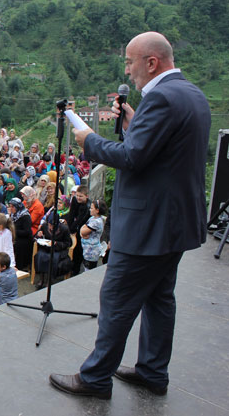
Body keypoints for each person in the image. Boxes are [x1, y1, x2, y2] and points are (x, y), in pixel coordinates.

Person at [49, 32, 211, 400]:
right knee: (159, 298)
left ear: (151, 62)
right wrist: (135, 123)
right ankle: (152, 371)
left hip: (148, 225)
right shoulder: (192, 94)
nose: (127, 70)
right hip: (175, 223)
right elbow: (162, 151)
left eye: (129, 61)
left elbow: (132, 157)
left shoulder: (162, 98)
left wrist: (89, 140)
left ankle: (95, 378)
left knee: (117, 301)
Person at [80, 199, 108, 271]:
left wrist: (82, 232)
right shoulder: (92, 218)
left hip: (92, 251)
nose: (90, 209)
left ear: (97, 210)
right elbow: (83, 228)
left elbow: (83, 231)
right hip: (87, 249)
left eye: (92, 208)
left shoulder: (96, 222)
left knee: (88, 269)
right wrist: (82, 231)